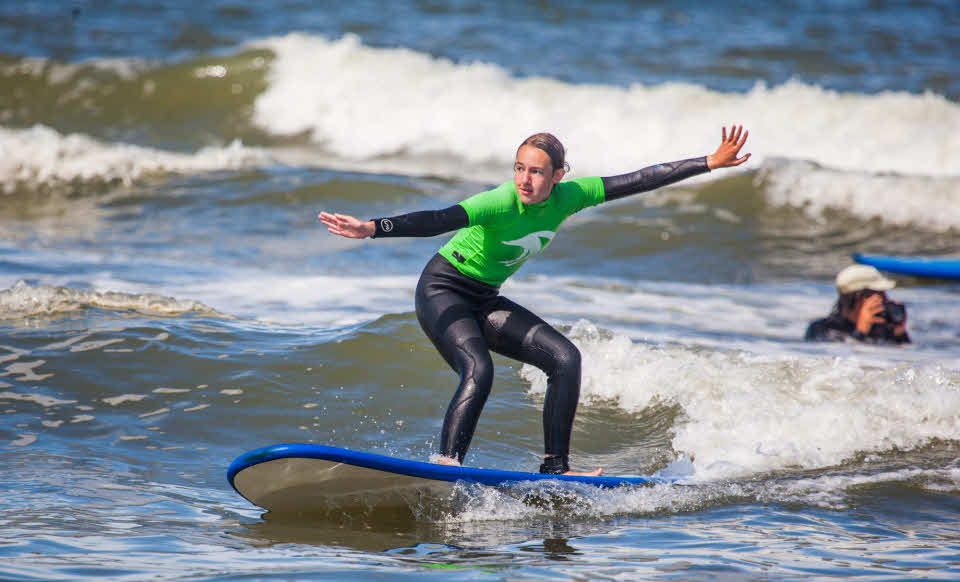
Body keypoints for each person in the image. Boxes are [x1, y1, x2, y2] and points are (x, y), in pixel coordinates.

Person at [320, 125, 751, 476]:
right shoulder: (499, 201)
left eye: (537, 172)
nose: (525, 180)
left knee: (565, 359)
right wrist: (373, 228)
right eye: (520, 169)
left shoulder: (573, 196)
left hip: (485, 297)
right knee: (479, 369)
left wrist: (707, 163)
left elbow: (639, 179)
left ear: (559, 175)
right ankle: (447, 466)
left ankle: (555, 468)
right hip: (442, 289)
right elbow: (438, 219)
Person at [805, 264, 910, 344]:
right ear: (855, 297)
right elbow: (843, 365)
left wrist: (899, 334)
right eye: (878, 294)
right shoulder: (820, 329)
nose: (884, 300)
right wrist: (860, 332)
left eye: (883, 294)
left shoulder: (882, 329)